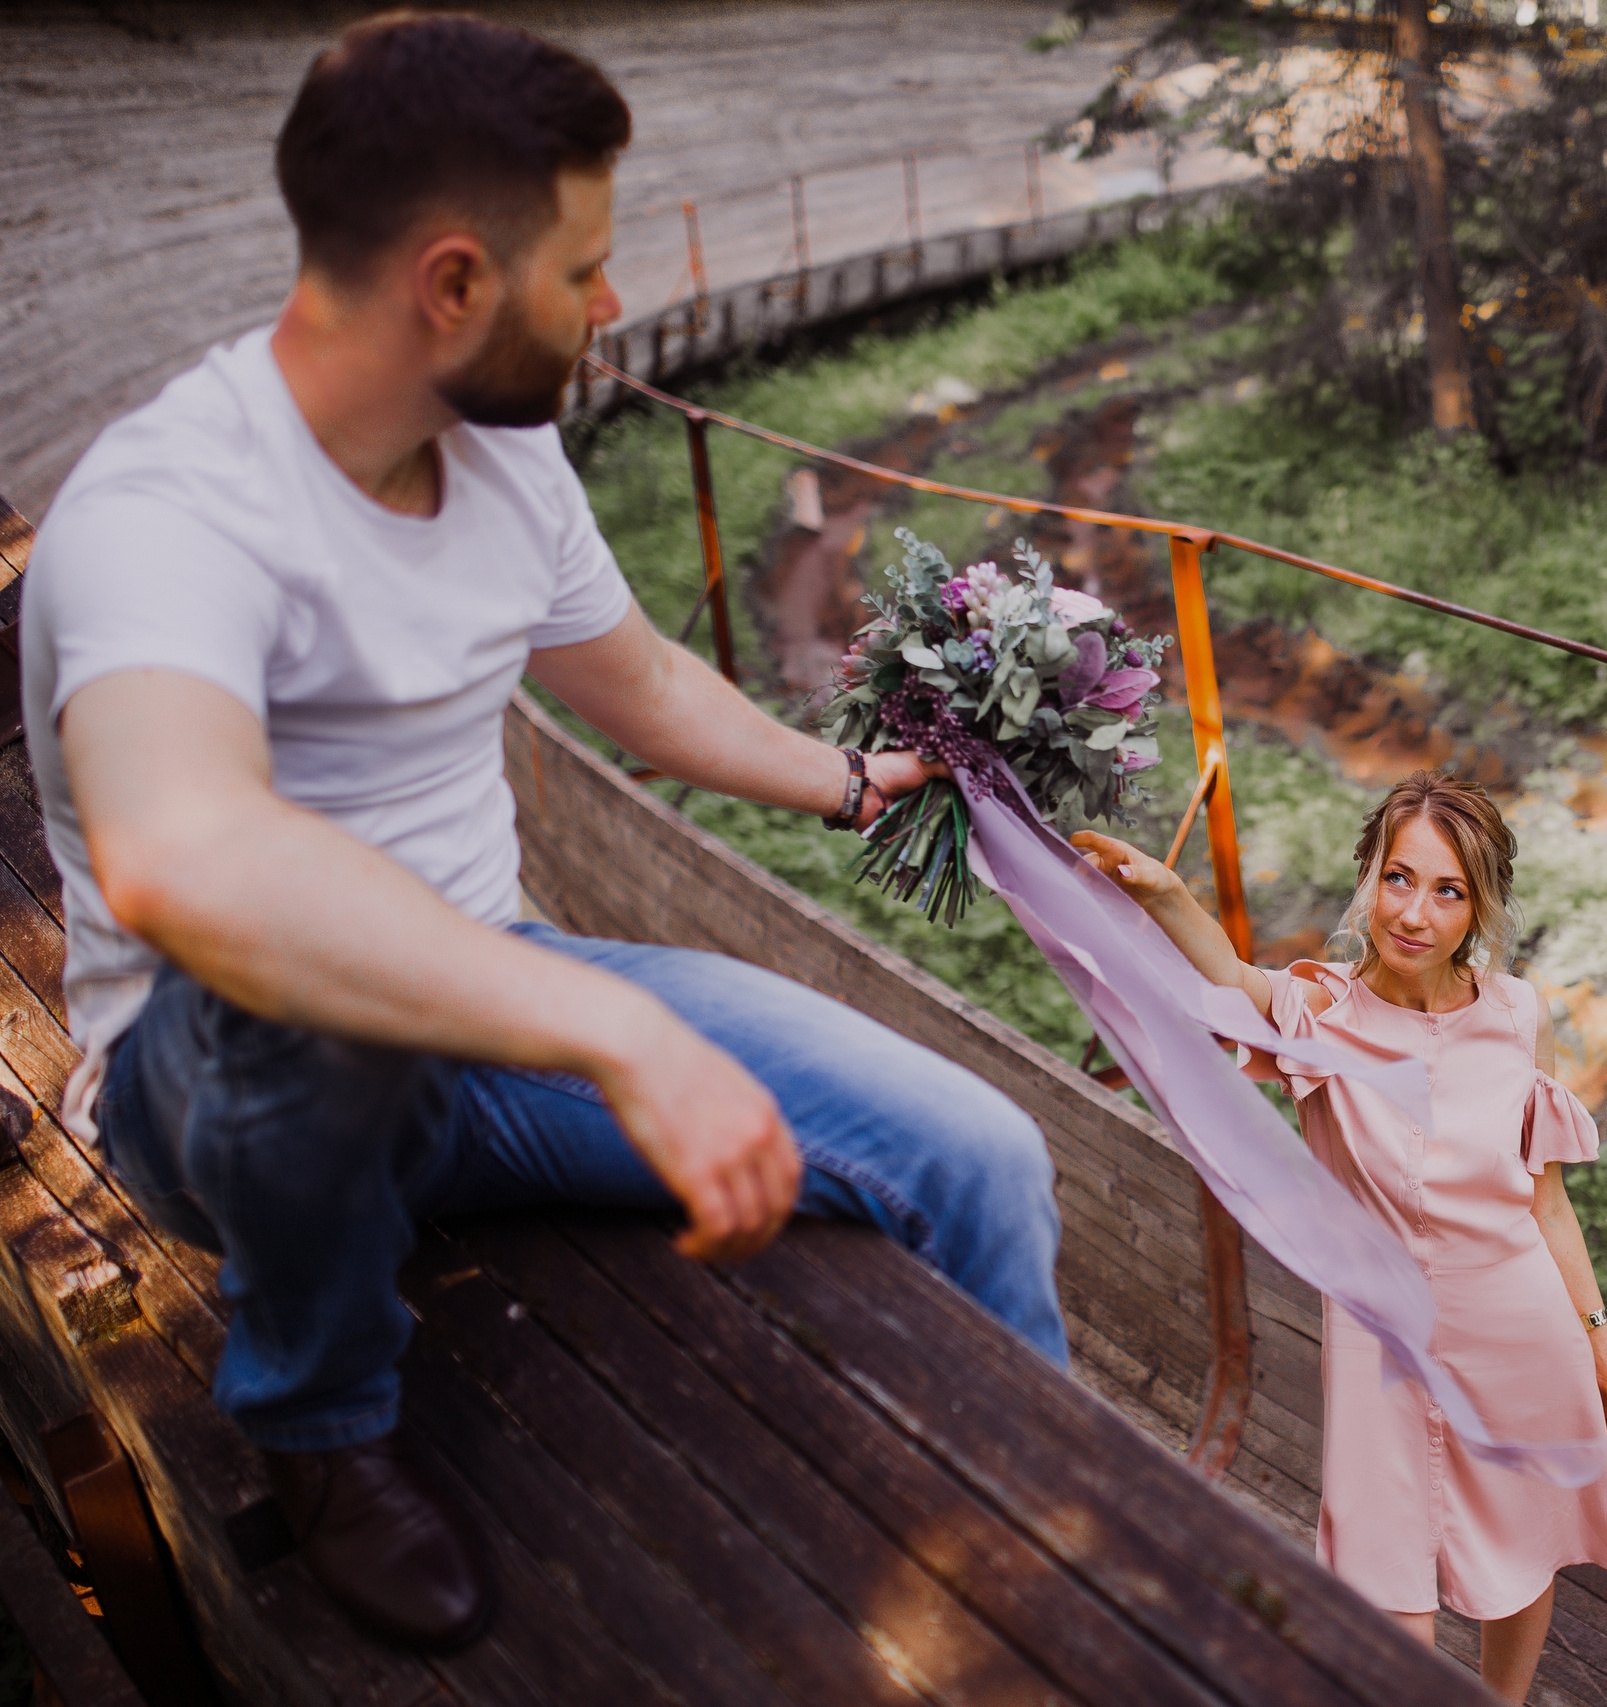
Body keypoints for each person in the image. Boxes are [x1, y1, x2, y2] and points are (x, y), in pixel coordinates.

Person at [20, 13, 1064, 1654]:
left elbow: (642, 682)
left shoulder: (504, 458)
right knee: (300, 986)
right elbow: (185, 862)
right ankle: (316, 1424)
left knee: (976, 1158)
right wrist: (617, 1030)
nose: (613, 303)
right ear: (453, 282)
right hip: (220, 1083)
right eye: (582, 268)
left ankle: (1054, 1579)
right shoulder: (167, 515)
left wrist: (848, 778)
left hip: (494, 1008)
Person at [1074, 771, 1607, 1704]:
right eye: (1398, 877)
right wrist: (1166, 892)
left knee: (1523, 1552)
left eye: (1448, 890)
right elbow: (1231, 979)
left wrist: (1603, 1348)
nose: (1414, 912)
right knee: (1384, 1595)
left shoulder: (1518, 1016)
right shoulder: (1320, 1011)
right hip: (1382, 1350)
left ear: (1480, 907)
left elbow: (1547, 1206)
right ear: (1369, 876)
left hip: (1519, 1329)